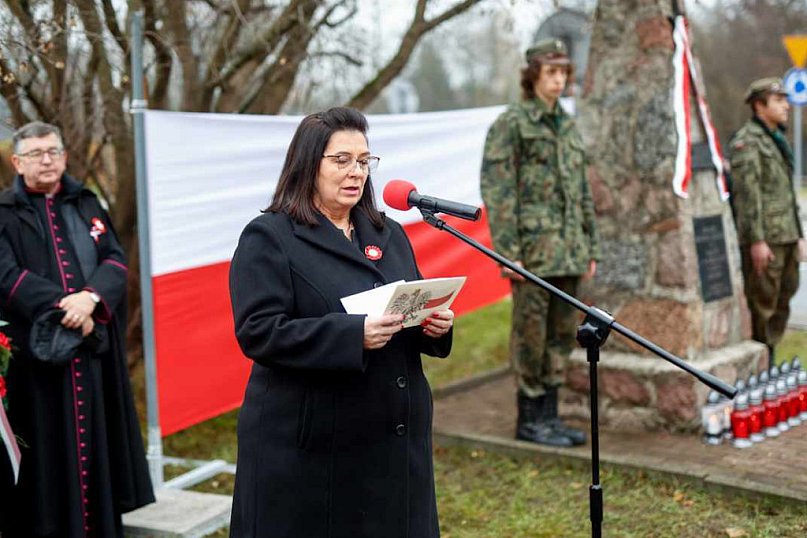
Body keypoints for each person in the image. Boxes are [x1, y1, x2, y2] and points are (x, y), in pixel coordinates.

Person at [228, 107, 454, 538]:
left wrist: (433, 324)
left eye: (364, 161)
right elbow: (259, 331)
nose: (357, 172)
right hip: (312, 448)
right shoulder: (269, 237)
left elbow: (409, 302)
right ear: (308, 165)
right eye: (342, 160)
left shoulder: (388, 232)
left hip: (392, 439)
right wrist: (353, 335)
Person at [0, 122, 154, 536]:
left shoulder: (86, 203)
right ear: (17, 162)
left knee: (94, 450)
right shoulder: (4, 212)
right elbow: (6, 276)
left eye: (53, 151)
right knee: (45, 456)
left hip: (90, 354)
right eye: (35, 154)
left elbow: (115, 259)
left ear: (65, 156)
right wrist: (66, 306)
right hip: (36, 364)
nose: (46, 160)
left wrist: (91, 299)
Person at [480, 39, 599, 447]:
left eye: (563, 72)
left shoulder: (567, 125)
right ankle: (529, 419)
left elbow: (582, 190)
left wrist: (590, 245)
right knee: (531, 336)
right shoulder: (512, 123)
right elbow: (499, 191)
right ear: (532, 75)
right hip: (532, 253)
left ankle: (550, 416)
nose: (559, 80)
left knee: (562, 335)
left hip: (569, 249)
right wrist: (508, 254)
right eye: (551, 72)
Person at [729, 78, 805, 365]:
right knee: (763, 305)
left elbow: (784, 193)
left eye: (786, 99)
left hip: (785, 235)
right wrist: (757, 241)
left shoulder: (775, 139)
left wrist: (798, 235)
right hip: (767, 240)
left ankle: (770, 362)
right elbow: (749, 197)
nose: (787, 106)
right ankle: (762, 364)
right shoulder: (748, 142)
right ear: (759, 106)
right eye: (778, 100)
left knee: (783, 299)